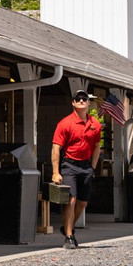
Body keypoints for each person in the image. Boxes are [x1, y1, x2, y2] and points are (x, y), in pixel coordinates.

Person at [51, 90, 102, 250]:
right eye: (77, 99)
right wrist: (55, 171)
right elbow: (56, 148)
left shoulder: (95, 124)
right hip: (69, 166)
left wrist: (92, 167)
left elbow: (96, 147)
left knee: (82, 203)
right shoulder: (65, 123)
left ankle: (68, 226)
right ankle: (69, 237)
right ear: (73, 103)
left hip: (86, 166)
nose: (81, 101)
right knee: (71, 201)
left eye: (84, 99)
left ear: (88, 103)